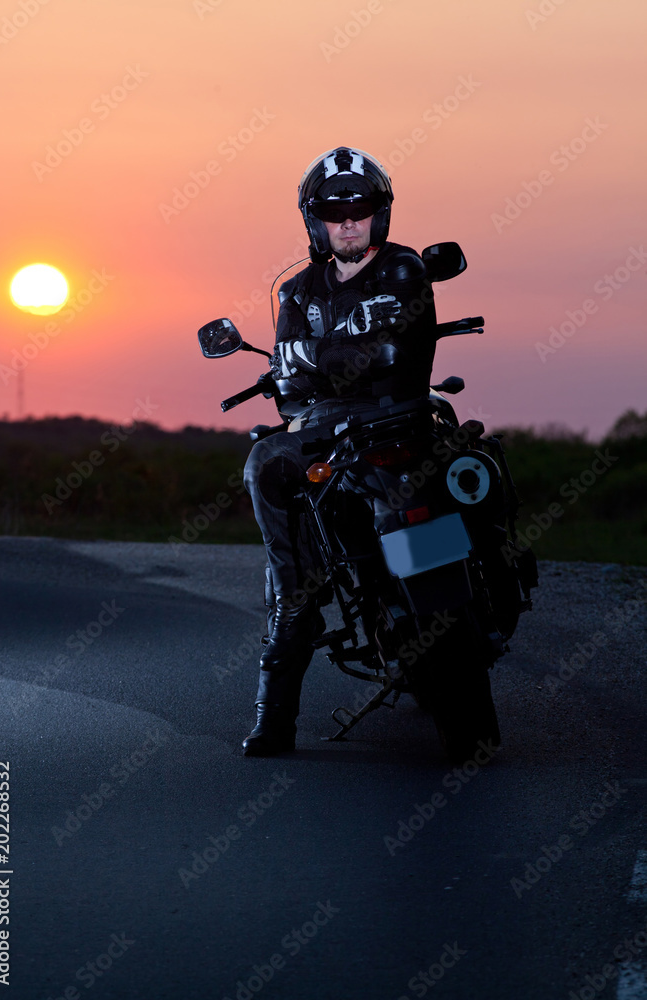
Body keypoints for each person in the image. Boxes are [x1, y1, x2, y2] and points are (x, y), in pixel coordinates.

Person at [241, 146, 438, 756]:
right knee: (265, 461)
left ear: (379, 214)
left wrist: (317, 354)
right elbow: (289, 379)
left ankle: (472, 569)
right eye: (335, 212)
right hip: (325, 426)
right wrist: (342, 354)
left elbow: (391, 355)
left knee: (466, 466)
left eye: (361, 209)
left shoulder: (405, 269)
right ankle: (296, 610)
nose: (349, 222)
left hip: (402, 421)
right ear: (315, 220)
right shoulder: (298, 292)